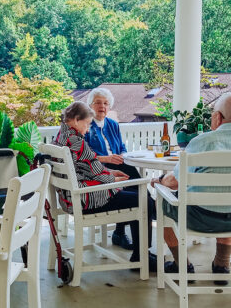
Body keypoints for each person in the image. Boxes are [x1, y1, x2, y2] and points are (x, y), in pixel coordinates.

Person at [151, 93, 231, 284]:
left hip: (201, 219)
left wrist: (160, 181)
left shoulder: (202, 141)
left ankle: (183, 265)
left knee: (160, 201)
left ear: (218, 117)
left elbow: (176, 182)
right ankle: (222, 265)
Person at [53, 101, 156, 269]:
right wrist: (114, 179)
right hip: (86, 199)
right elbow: (96, 172)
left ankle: (131, 243)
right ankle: (142, 257)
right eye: (86, 124)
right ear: (77, 120)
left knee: (133, 193)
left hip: (70, 198)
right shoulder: (76, 141)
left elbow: (89, 167)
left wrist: (111, 173)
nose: (87, 130)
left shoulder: (60, 137)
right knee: (144, 200)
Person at [84, 87, 143, 250]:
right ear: (90, 105)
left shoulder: (113, 124)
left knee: (136, 183)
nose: (102, 106)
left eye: (105, 103)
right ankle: (122, 232)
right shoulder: (86, 126)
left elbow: (121, 146)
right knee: (136, 189)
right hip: (100, 168)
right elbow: (85, 155)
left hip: (117, 163)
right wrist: (107, 159)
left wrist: (123, 154)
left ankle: (120, 231)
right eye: (98, 103)